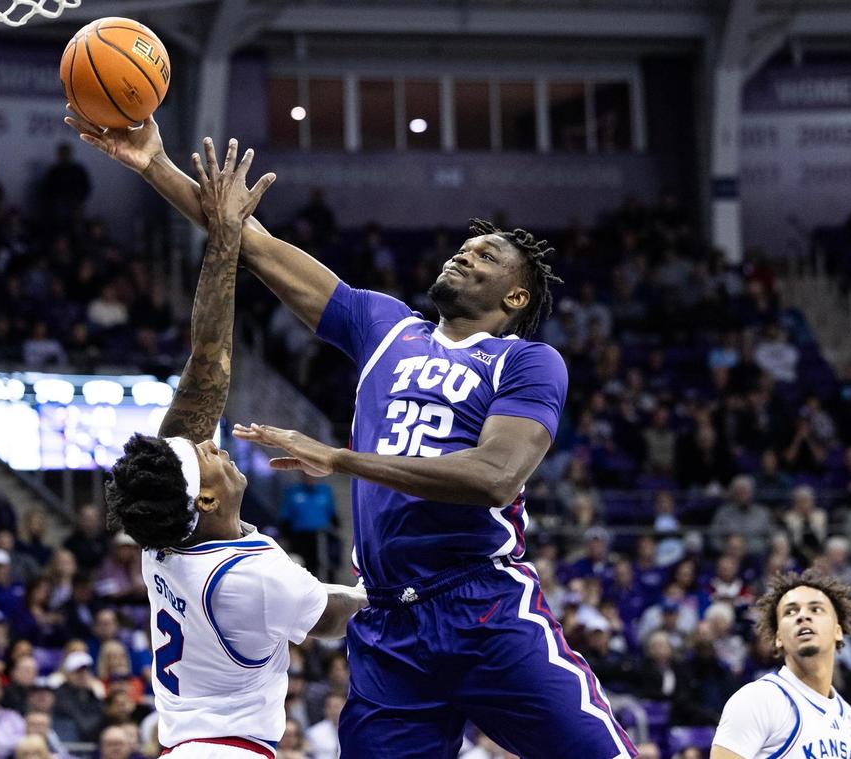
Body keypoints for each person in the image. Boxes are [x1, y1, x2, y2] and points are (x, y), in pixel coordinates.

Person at [65, 113, 633, 756]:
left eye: (486, 256)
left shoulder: (526, 362)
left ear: (517, 300)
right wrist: (152, 165)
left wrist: (340, 458)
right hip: (388, 620)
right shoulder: (386, 325)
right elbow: (249, 244)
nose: (464, 254)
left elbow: (494, 478)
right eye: (463, 248)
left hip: (482, 606)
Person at [95, 138, 366, 757]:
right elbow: (332, 616)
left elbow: (207, 362)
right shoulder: (252, 577)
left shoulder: (169, 530)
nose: (212, 445)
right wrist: (387, 588)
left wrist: (224, 236)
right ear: (209, 495)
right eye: (208, 455)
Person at [711, 569, 851, 759]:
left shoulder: (849, 719)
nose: (803, 616)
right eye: (791, 611)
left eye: (816, 609)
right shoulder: (759, 699)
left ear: (838, 630)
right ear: (778, 637)